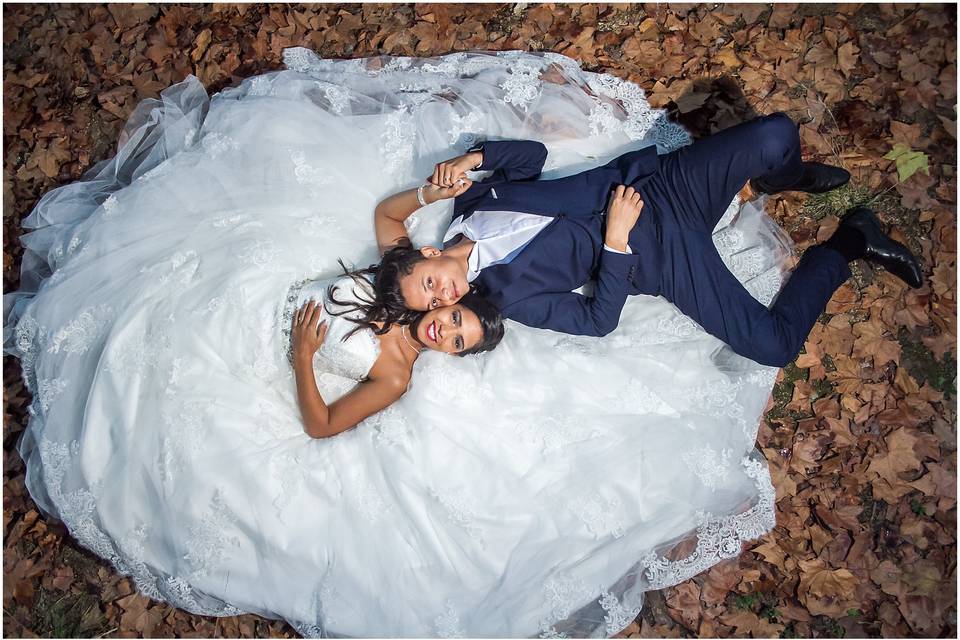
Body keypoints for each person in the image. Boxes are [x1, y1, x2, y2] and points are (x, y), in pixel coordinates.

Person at [5, 49, 801, 637]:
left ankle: (766, 184)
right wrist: (429, 192)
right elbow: (391, 222)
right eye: (443, 301)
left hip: (280, 351)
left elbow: (321, 424)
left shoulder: (395, 365)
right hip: (248, 295)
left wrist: (301, 360)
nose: (443, 306)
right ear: (421, 274)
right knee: (157, 303)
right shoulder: (404, 270)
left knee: (156, 406)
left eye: (448, 317)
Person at [377, 120, 923, 368]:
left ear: (429, 253)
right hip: (662, 257)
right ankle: (852, 240)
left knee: (776, 135)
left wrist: (473, 161)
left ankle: (781, 178)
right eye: (436, 303)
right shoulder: (506, 300)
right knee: (774, 347)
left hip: (654, 184)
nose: (445, 296)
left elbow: (533, 159)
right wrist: (615, 243)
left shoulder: (474, 201)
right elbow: (596, 321)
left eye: (431, 286)